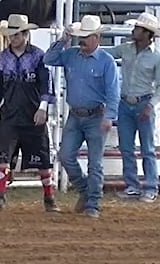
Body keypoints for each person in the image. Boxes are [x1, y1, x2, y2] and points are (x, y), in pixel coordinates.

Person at [41, 13, 119, 218]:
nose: (82, 40)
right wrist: (63, 39)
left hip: (95, 115)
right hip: (76, 115)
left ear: (96, 38)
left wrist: (109, 116)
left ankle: (93, 201)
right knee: (66, 156)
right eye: (80, 36)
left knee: (95, 162)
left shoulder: (106, 61)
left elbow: (113, 92)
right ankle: (87, 193)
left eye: (86, 36)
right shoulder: (71, 54)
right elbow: (48, 59)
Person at [0, 13, 57, 213]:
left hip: (32, 114)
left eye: (16, 35)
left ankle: (49, 198)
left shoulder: (38, 57)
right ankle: (0, 196)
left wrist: (42, 108)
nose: (13, 39)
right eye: (12, 35)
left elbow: (46, 85)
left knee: (42, 159)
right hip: (11, 115)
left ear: (25, 35)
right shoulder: (3, 58)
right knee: (3, 155)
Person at [113, 11, 160, 203]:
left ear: (146, 33)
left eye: (137, 28)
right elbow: (106, 53)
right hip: (128, 102)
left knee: (147, 149)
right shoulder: (127, 49)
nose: (134, 31)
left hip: (142, 102)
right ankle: (134, 186)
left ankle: (149, 186)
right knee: (127, 147)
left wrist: (151, 105)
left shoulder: (157, 58)